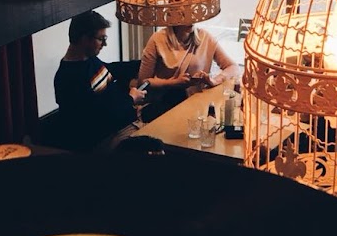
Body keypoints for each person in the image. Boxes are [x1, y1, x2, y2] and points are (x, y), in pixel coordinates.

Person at [53, 10, 146, 151]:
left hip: (124, 122)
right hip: (107, 138)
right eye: (101, 39)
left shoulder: (88, 60)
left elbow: (109, 69)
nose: (105, 44)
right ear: (85, 39)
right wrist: (131, 99)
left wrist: (144, 63)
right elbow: (99, 119)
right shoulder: (70, 78)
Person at [137, 24, 241, 117]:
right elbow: (143, 82)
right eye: (183, 15)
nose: (191, 21)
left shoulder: (205, 37)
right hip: (164, 105)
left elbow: (233, 67)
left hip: (197, 104)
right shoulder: (157, 39)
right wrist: (173, 82)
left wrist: (214, 80)